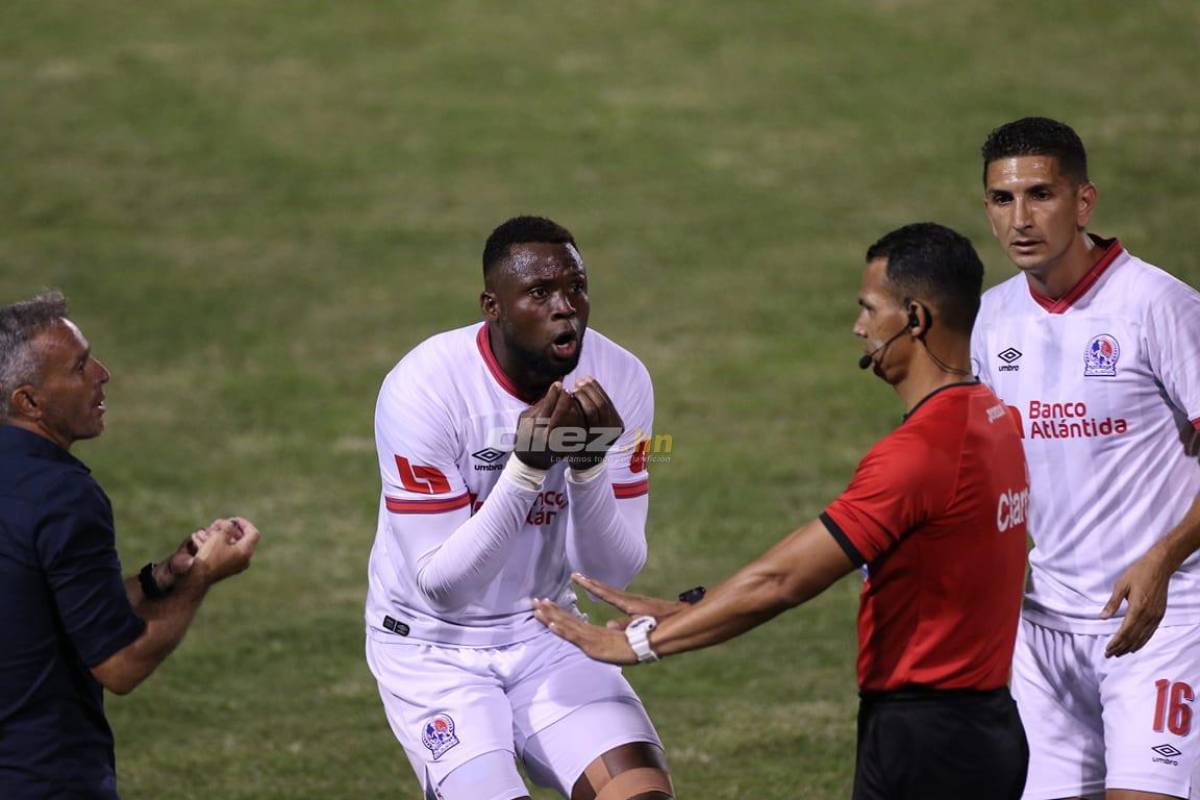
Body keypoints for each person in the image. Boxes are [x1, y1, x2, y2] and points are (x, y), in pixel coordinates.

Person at [533, 222, 1031, 800]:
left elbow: (785, 580)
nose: (859, 328)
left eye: (870, 310)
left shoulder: (922, 453)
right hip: (984, 724)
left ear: (916, 319)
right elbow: (819, 551)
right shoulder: (992, 418)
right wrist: (691, 608)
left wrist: (639, 644)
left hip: (928, 743)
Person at [364, 215, 672, 800]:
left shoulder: (619, 377)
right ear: (493, 306)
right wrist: (526, 468)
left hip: (548, 628)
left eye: (576, 287)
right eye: (540, 293)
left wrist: (586, 465)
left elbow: (611, 574)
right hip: (434, 649)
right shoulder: (426, 388)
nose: (566, 307)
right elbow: (443, 587)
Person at [971, 116, 1200, 800]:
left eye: (1041, 194)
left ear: (1084, 201)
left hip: (1166, 623)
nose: (1021, 218)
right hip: (1043, 635)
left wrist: (1162, 559)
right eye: (1002, 199)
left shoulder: (1157, 306)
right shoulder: (990, 321)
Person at [0, 291, 261, 799]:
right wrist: (204, 576)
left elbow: (45, 608)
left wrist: (160, 579)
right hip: (42, 777)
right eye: (78, 367)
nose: (102, 373)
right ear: (28, 401)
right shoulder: (61, 496)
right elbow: (119, 664)